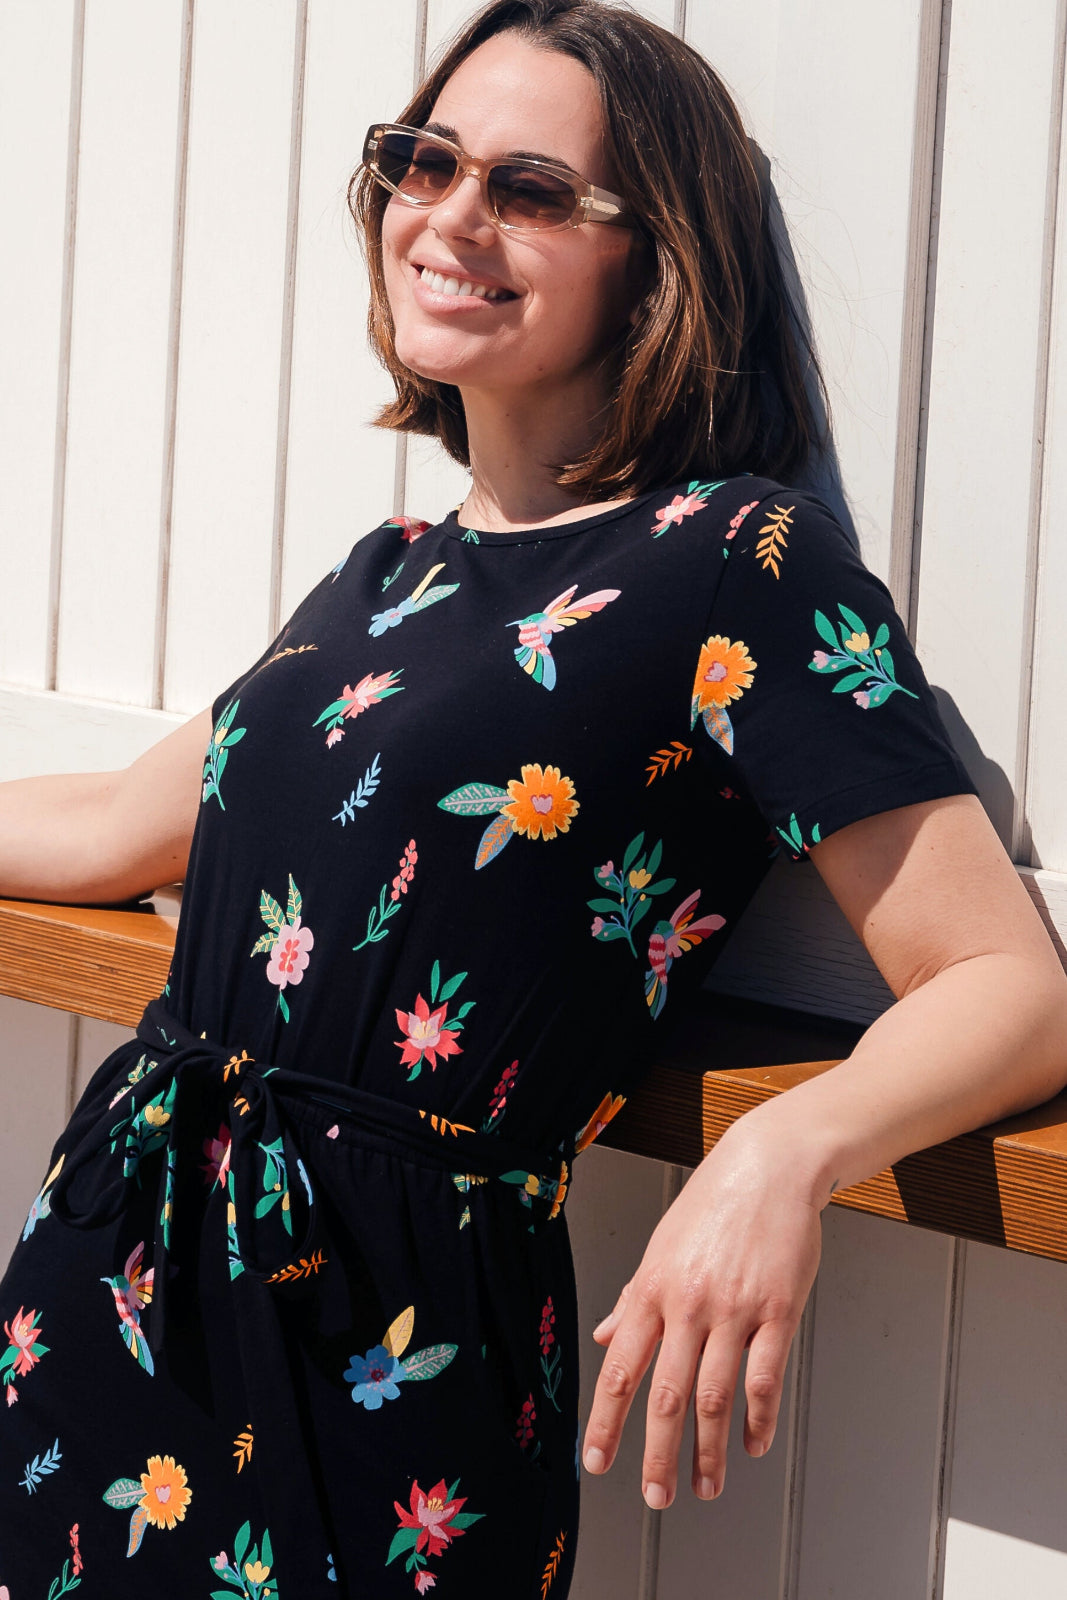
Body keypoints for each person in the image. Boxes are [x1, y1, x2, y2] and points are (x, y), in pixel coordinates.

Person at [1, 1, 1065, 1595]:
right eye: (424, 162)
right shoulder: (383, 578)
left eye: (532, 188)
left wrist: (777, 1158)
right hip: (113, 1274)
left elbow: (1007, 985)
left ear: (656, 256)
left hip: (391, 1339)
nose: (453, 215)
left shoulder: (733, 563)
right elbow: (111, 829)